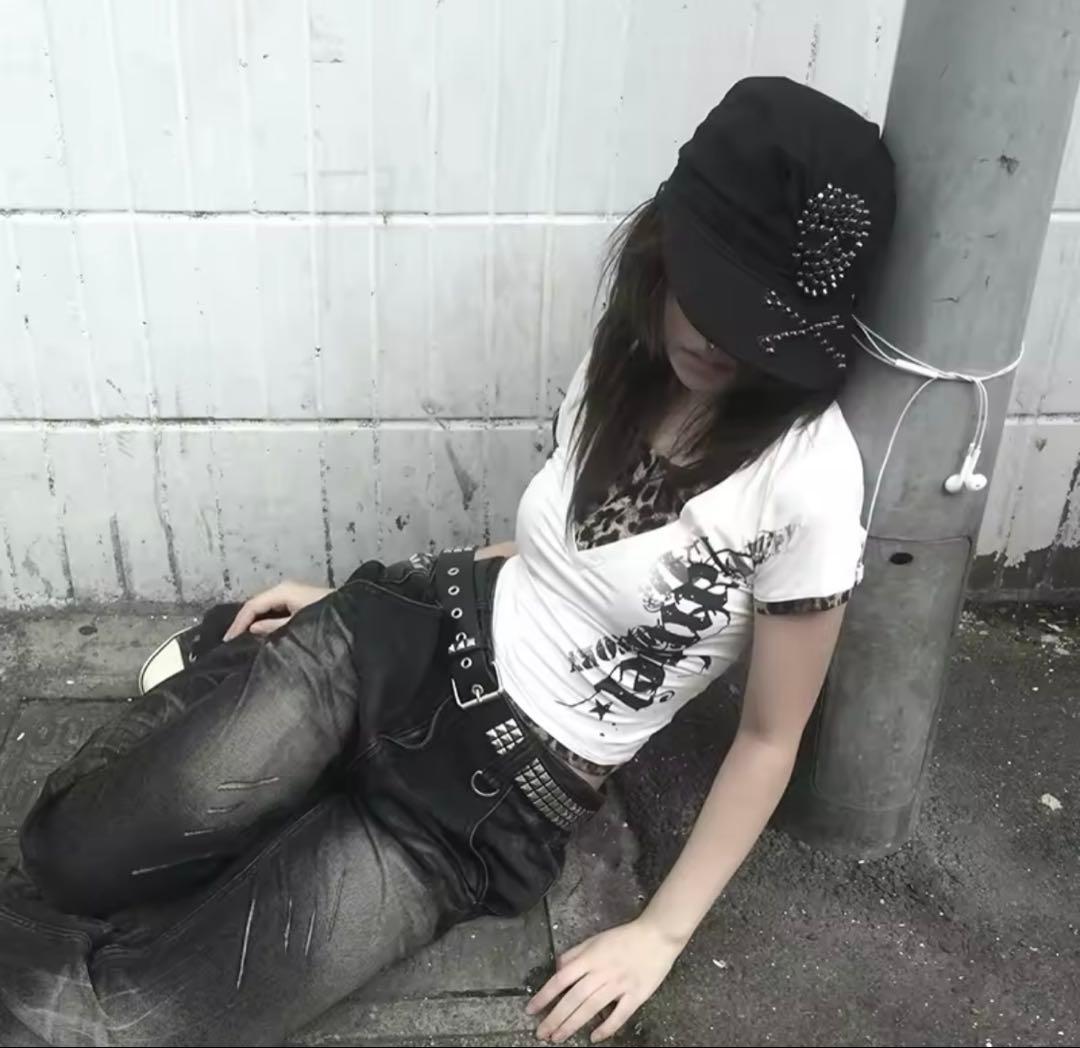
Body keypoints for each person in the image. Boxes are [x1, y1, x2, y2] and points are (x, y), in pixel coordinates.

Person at [0, 76, 895, 1046]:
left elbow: (768, 739)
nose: (720, 342)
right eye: (711, 295)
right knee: (63, 855)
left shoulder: (809, 481)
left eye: (757, 323)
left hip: (486, 805)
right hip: (399, 642)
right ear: (665, 242)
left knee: (120, 1024)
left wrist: (662, 933)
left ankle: (261, 757)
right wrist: (349, 598)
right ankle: (247, 681)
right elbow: (555, 555)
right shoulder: (630, 356)